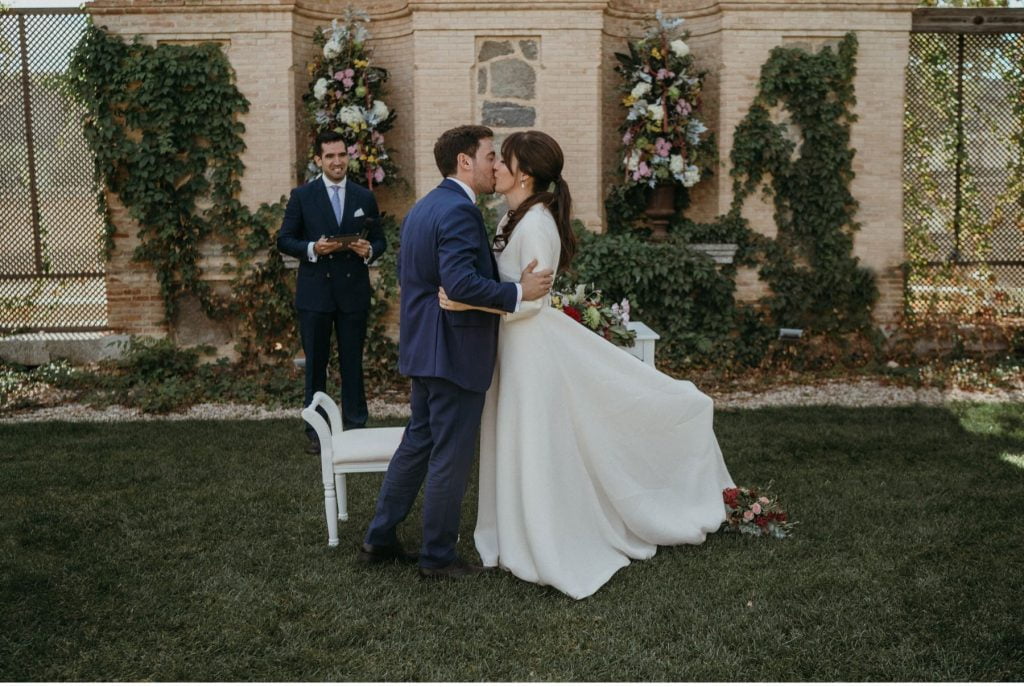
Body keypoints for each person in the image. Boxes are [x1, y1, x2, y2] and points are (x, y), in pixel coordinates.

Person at [438, 130, 735, 599]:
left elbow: (532, 303)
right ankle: (512, 532)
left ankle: (543, 538)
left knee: (533, 442)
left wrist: (467, 306)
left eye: (503, 161)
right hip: (514, 348)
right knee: (515, 439)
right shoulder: (513, 217)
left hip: (531, 349)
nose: (493, 166)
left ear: (525, 174)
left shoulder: (536, 224)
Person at [360, 125, 555, 579]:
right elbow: (460, 282)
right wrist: (518, 291)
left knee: (419, 441)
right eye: (489, 155)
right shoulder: (460, 213)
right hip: (453, 350)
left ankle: (379, 536)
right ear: (464, 162)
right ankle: (438, 557)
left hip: (424, 348)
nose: (495, 164)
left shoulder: (424, 208)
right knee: (449, 454)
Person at [277, 130, 386, 454]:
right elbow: (284, 239)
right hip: (315, 294)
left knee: (353, 361)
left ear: (348, 157)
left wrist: (369, 250)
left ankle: (355, 426)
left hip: (352, 291)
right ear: (318, 160)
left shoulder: (363, 196)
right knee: (316, 364)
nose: (337, 161)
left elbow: (380, 240)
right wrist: (313, 248)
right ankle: (316, 432)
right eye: (330, 156)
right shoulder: (303, 196)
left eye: (341, 155)